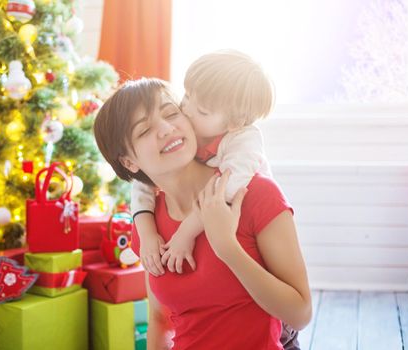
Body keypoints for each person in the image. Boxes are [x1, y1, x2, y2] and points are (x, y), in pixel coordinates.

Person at [94, 78, 311, 349]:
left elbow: (300, 314)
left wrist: (228, 248)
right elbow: (160, 320)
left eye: (171, 112)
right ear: (129, 162)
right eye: (145, 129)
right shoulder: (148, 229)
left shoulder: (256, 194)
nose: (166, 128)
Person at [132, 50, 273, 278]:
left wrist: (186, 231)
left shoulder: (244, 140)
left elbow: (226, 191)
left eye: (202, 111)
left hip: (246, 222)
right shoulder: (193, 128)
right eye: (187, 97)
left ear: (235, 122)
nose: (186, 111)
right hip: (204, 219)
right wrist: (146, 232)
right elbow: (145, 177)